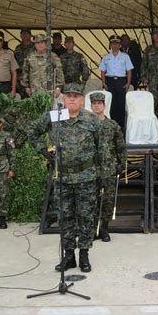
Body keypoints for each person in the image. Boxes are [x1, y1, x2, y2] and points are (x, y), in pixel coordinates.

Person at [28, 83, 109, 272]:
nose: (72, 99)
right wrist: (42, 150)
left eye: (76, 96)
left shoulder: (92, 120)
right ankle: (69, 256)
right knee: (65, 218)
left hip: (86, 178)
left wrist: (104, 175)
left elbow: (102, 149)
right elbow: (32, 131)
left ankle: (84, 256)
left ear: (82, 101)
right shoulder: (55, 117)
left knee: (86, 218)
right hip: (63, 178)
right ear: (63, 100)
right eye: (68, 96)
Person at [89, 92, 126, 242]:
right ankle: (92, 230)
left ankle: (104, 229)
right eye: (94, 104)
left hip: (109, 169)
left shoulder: (113, 125)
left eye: (99, 103)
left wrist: (121, 164)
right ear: (91, 106)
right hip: (90, 170)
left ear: (104, 106)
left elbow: (121, 147)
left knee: (108, 200)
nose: (97, 106)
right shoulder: (87, 125)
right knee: (91, 201)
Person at [99, 34, 134, 129]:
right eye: (113, 43)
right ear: (110, 45)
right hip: (110, 81)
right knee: (111, 104)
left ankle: (121, 127)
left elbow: (129, 71)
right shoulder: (106, 57)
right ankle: (111, 126)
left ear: (120, 45)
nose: (115, 45)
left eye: (117, 43)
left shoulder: (125, 56)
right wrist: (103, 82)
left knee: (121, 105)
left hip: (121, 81)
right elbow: (102, 70)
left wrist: (128, 83)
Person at [14, 28, 35, 98]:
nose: (25, 35)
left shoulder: (35, 47)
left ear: (30, 35)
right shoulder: (17, 48)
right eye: (23, 34)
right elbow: (14, 65)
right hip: (20, 79)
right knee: (22, 100)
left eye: (27, 34)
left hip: (33, 78)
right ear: (20, 36)